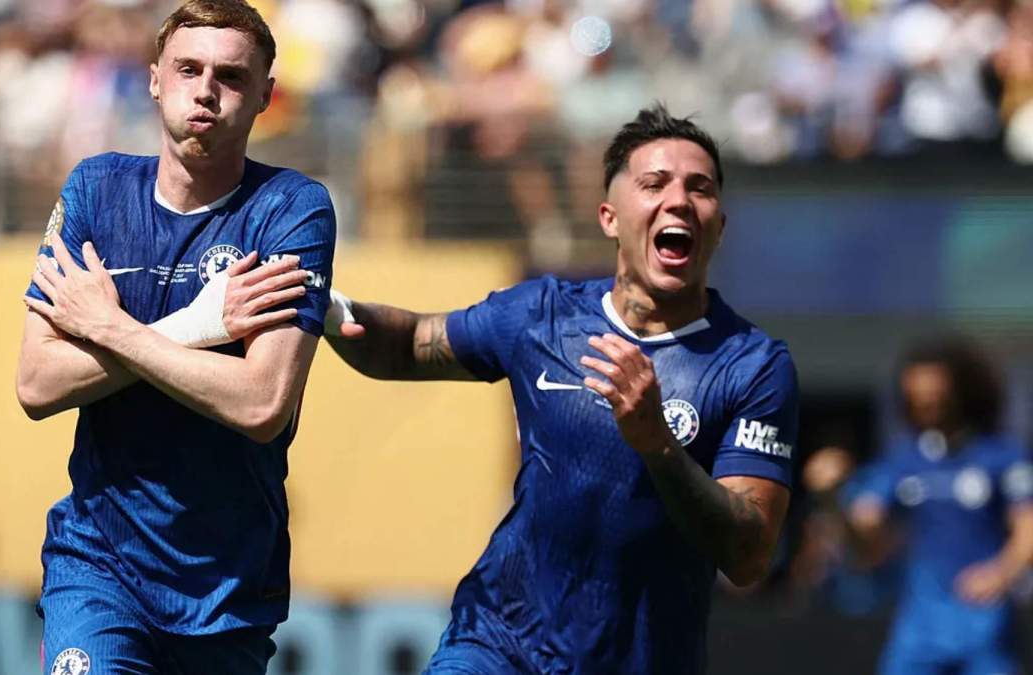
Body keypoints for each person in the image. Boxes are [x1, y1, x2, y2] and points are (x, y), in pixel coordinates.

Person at [322, 104, 797, 673]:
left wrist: (659, 445)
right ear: (609, 218)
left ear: (719, 226)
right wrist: (326, 307)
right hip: (499, 641)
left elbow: (748, 555)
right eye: (654, 184)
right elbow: (411, 342)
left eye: (700, 188)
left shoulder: (753, 366)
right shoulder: (542, 316)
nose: (679, 200)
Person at [15, 1, 335, 673]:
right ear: (156, 79)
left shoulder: (290, 210)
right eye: (188, 69)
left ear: (265, 95)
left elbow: (260, 403)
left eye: (231, 76)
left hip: (227, 582)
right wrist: (197, 327)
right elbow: (38, 384)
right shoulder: (96, 190)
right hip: (98, 565)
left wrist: (108, 330)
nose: (206, 90)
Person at [844, 338, 1033, 675]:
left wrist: (1001, 573)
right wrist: (833, 498)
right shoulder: (903, 460)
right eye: (917, 395)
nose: (927, 400)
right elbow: (866, 532)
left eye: (936, 393)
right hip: (920, 625)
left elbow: (1027, 527)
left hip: (983, 623)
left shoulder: (1002, 455)